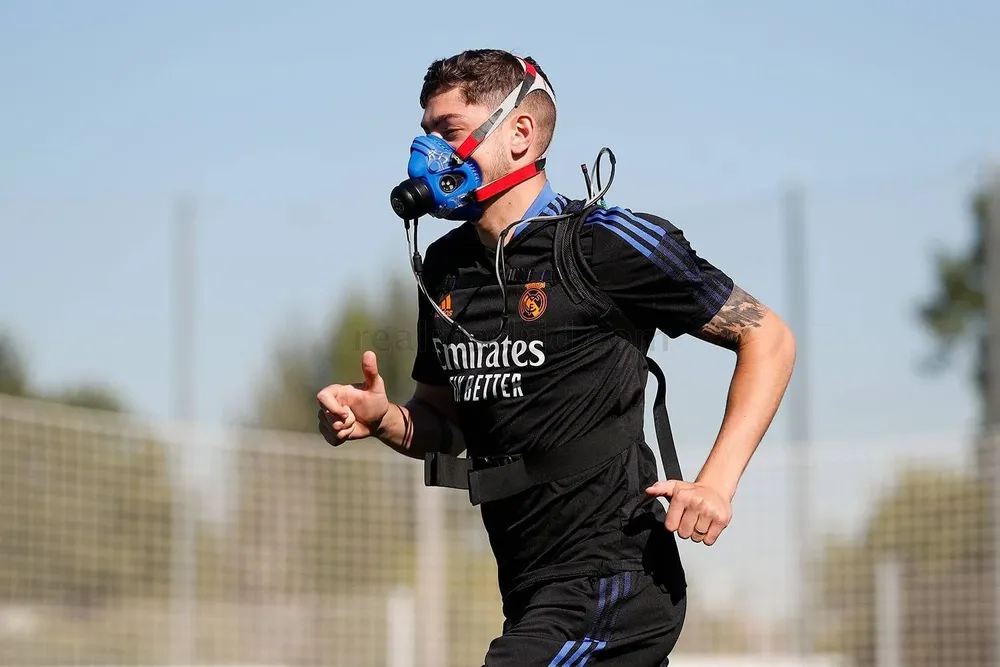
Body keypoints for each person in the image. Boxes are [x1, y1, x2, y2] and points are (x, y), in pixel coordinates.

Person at [317, 49, 796, 666]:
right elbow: (445, 425)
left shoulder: (606, 243)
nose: (428, 154)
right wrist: (382, 419)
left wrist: (717, 484)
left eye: (450, 133)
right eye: (425, 133)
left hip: (614, 578)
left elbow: (769, 338)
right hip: (527, 586)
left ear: (519, 134)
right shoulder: (444, 268)